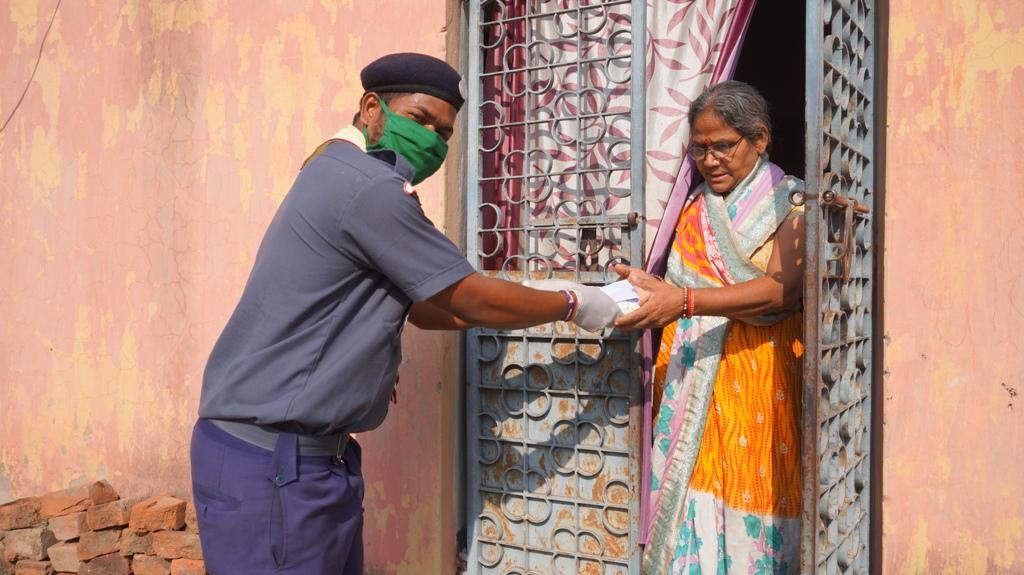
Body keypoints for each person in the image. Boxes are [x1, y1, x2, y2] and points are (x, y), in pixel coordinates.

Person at [190, 52, 620, 575]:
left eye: (444, 132)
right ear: (372, 108)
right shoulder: (370, 189)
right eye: (419, 120)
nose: (432, 141)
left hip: (305, 459)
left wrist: (519, 298)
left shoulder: (339, 171)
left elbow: (429, 306)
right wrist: (575, 303)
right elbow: (466, 297)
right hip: (276, 464)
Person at [614, 81, 806, 574]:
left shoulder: (792, 204)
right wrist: (655, 290)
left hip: (760, 373)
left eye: (724, 145)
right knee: (691, 492)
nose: (711, 159)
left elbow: (781, 291)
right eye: (700, 148)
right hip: (692, 367)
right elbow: (682, 282)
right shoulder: (694, 205)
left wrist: (684, 300)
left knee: (754, 483)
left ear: (759, 140)